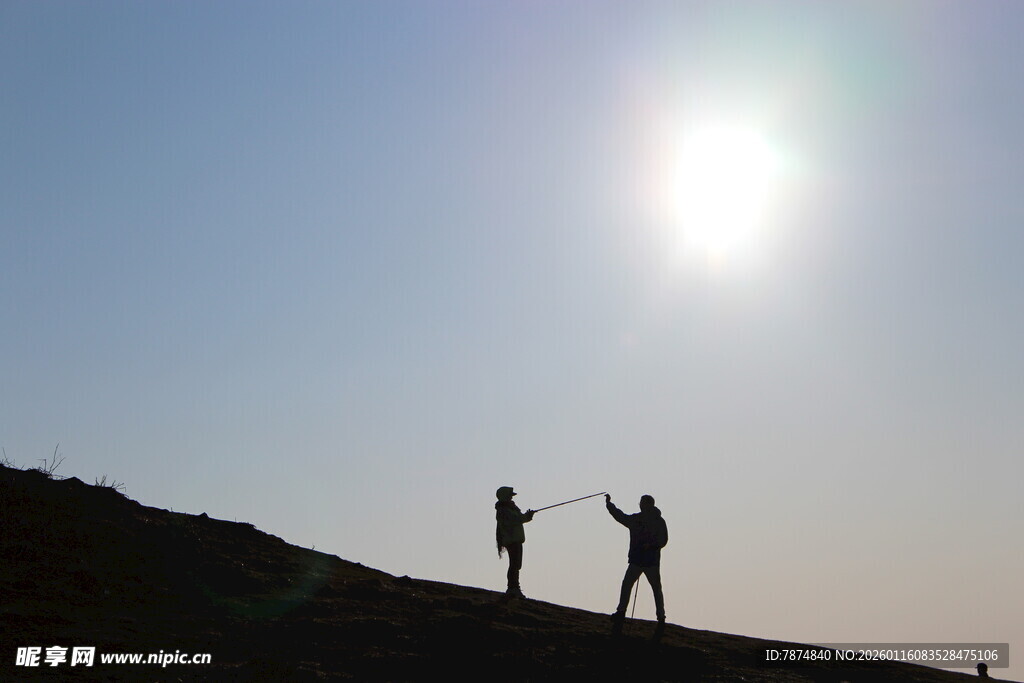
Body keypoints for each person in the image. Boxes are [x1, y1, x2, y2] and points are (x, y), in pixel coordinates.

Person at [606, 493, 668, 628]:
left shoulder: (657, 521)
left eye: (642, 503)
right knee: (628, 584)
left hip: (649, 562)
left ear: (648, 504)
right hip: (639, 560)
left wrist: (651, 545)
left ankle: (661, 617)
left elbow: (663, 540)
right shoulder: (640, 519)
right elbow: (620, 517)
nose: (640, 505)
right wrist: (609, 505)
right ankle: (621, 612)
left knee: (655, 588)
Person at [495, 486, 535, 599]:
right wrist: (527, 516)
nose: (512, 498)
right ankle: (512, 588)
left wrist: (527, 516)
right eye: (510, 495)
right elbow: (516, 519)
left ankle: (514, 587)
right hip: (512, 541)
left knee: (516, 564)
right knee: (514, 564)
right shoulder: (504, 510)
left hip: (515, 540)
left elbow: (519, 518)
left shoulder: (509, 508)